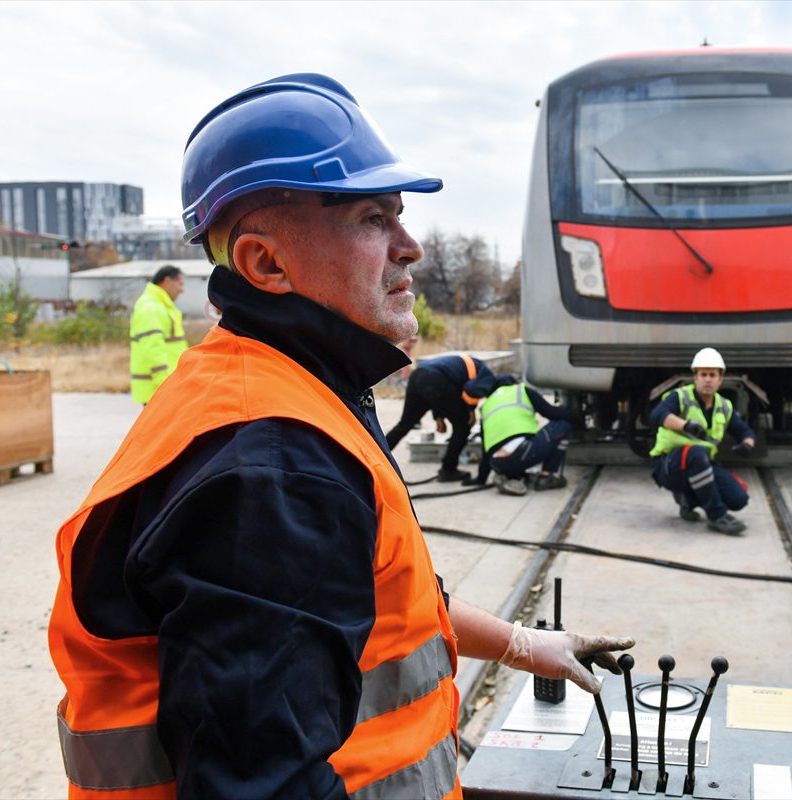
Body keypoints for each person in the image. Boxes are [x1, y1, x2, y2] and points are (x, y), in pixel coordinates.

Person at [47, 73, 632, 800]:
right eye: (372, 219)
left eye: (400, 216)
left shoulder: (282, 387)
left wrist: (522, 645)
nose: (412, 247)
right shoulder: (275, 469)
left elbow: (375, 604)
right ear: (266, 263)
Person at [648, 347, 755, 535]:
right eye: (703, 374)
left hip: (701, 464)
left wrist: (747, 444)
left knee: (739, 498)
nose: (707, 379)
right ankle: (717, 516)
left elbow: (744, 431)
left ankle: (687, 499)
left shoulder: (724, 406)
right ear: (695, 378)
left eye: (712, 375)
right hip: (669, 465)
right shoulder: (680, 396)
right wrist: (685, 425)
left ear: (720, 379)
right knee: (697, 453)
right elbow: (657, 415)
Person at [384, 353, 497, 481]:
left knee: (405, 424)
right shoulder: (487, 376)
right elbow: (471, 389)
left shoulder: (468, 365)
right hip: (434, 379)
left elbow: (445, 388)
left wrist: (439, 416)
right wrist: (471, 409)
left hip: (418, 375)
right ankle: (448, 470)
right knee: (463, 425)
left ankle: (374, 458)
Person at [468, 376, 576, 495]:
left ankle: (510, 476)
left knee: (513, 449)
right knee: (562, 425)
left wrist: (481, 479)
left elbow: (485, 450)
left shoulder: (487, 405)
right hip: (522, 454)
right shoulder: (521, 390)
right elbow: (552, 413)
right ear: (514, 384)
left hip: (496, 463)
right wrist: (575, 416)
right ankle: (547, 476)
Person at [129, 264, 187, 404]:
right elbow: (152, 349)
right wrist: (164, 385)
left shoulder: (159, 306)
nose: (182, 290)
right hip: (159, 389)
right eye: (180, 284)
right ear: (167, 281)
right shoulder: (151, 307)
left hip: (165, 387)